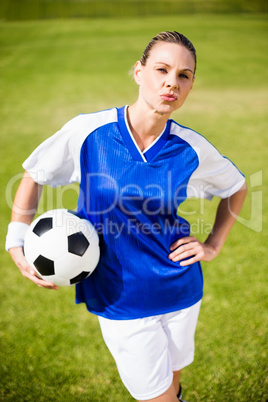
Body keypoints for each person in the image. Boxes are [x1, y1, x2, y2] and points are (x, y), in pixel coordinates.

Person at [6, 31, 247, 402]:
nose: (172, 82)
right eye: (162, 69)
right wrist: (16, 238)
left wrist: (213, 244)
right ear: (138, 72)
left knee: (173, 380)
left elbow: (237, 187)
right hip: (121, 296)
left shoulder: (191, 148)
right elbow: (35, 173)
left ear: (191, 85)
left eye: (184, 75)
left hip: (181, 287)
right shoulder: (89, 131)